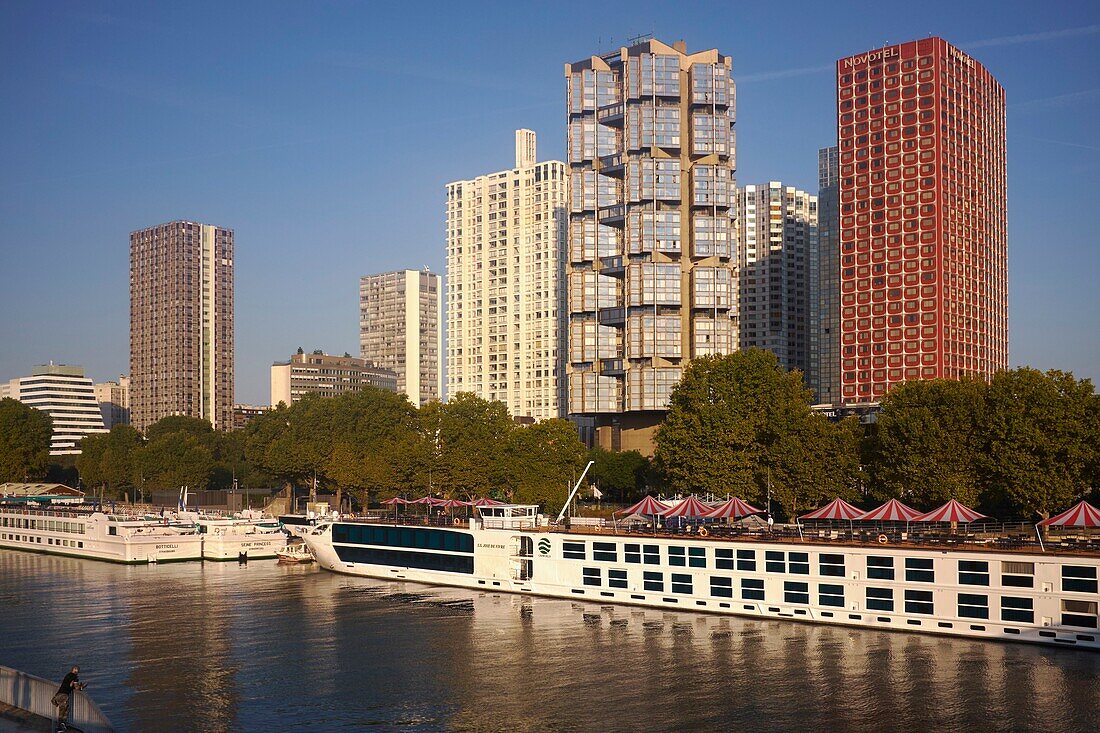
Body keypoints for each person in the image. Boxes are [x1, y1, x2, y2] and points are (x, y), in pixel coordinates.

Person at [52, 665, 85, 731]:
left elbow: (70, 686)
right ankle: (60, 726)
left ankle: (61, 726)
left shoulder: (68, 675)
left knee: (65, 710)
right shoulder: (74, 677)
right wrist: (81, 687)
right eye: (78, 670)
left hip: (58, 695)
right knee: (63, 711)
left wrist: (76, 686)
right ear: (75, 670)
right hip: (64, 696)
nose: (78, 672)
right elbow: (76, 687)